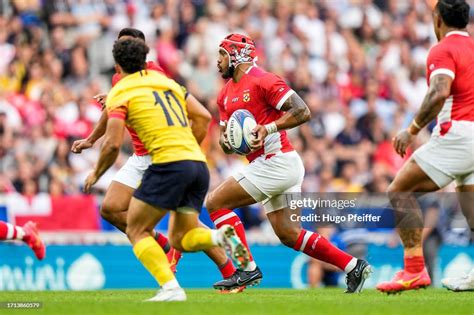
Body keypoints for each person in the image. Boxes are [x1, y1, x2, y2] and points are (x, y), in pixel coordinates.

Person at [72, 28, 245, 292]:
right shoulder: (123, 79)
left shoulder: (154, 73)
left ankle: (218, 271)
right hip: (148, 156)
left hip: (162, 155)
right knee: (110, 208)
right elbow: (113, 110)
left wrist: (96, 171)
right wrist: (91, 139)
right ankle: (167, 246)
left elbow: (120, 129)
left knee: (165, 228)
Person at [207, 33, 371, 293]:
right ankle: (353, 266)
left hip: (277, 162)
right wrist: (228, 143)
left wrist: (268, 128)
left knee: (215, 202)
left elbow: (302, 111)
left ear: (236, 56)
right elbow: (225, 141)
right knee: (289, 234)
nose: (217, 62)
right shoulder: (224, 95)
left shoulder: (264, 80)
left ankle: (246, 268)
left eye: (222, 55)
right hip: (271, 164)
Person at [376, 0, 474, 293]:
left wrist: (411, 129)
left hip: (457, 134)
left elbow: (439, 92)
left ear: (437, 18)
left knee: (399, 190)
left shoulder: (444, 48)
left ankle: (414, 270)